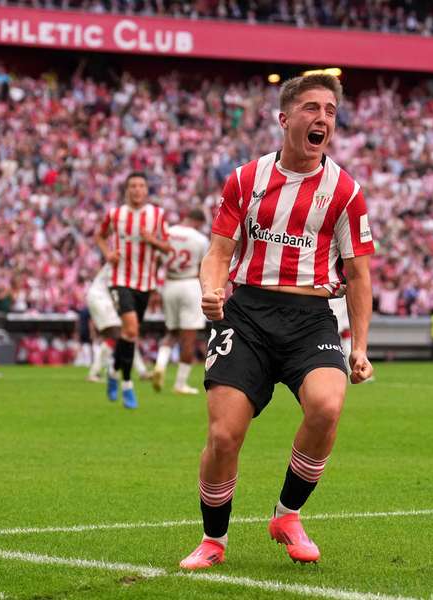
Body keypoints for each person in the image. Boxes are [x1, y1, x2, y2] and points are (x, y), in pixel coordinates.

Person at [179, 74, 375, 570]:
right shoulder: (245, 179)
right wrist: (210, 287)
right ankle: (213, 540)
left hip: (311, 318)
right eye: (312, 108)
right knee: (224, 436)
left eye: (330, 110)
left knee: (327, 406)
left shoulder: (346, 192)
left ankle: (287, 515)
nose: (322, 119)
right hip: (246, 315)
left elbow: (358, 274)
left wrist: (360, 346)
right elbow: (219, 251)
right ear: (285, 119)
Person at [94, 172, 171, 408]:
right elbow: (99, 235)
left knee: (129, 335)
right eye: (132, 186)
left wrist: (152, 241)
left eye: (141, 186)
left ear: (146, 190)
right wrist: (108, 254)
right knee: (131, 329)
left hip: (145, 283)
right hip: (119, 279)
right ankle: (127, 384)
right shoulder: (115, 215)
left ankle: (113, 371)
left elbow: (167, 248)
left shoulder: (157, 216)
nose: (137, 190)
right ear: (127, 190)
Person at [152, 208, 210, 395]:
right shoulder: (200, 239)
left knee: (172, 332)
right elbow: (204, 267)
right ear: (198, 222)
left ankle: (160, 364)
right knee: (189, 337)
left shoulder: (167, 233)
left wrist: (154, 287)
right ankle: (180, 383)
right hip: (189, 284)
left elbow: (156, 261)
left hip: (169, 284)